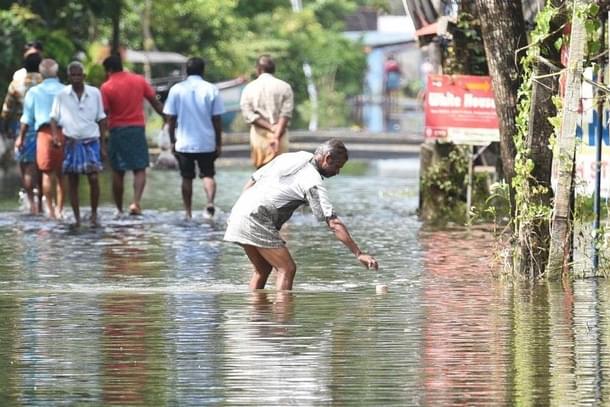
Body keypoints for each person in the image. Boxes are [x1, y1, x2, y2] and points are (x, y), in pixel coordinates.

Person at [224, 139, 378, 290]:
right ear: (327, 158)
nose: (337, 172)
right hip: (256, 217)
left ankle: (256, 315)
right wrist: (358, 253)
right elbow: (334, 224)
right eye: (337, 167)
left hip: (240, 210)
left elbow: (253, 179)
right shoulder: (313, 181)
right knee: (287, 269)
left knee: (263, 269)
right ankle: (282, 316)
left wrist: (239, 210)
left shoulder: (293, 157)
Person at [100, 55, 164, 216]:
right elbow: (155, 102)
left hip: (117, 131)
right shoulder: (139, 80)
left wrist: (101, 139)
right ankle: (136, 202)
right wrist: (167, 118)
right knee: (139, 167)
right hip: (137, 129)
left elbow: (103, 114)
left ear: (108, 70)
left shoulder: (107, 87)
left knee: (118, 170)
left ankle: (119, 208)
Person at [163, 57, 224, 220]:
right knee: (208, 175)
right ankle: (210, 202)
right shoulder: (211, 89)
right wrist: (219, 143)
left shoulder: (177, 89)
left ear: (186, 71)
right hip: (206, 141)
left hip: (184, 143)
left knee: (186, 177)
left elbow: (171, 118)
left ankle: (188, 212)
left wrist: (172, 141)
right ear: (203, 71)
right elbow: (217, 119)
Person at [50, 61, 107, 227]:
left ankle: (94, 215)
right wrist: (55, 136)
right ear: (68, 77)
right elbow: (53, 118)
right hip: (71, 142)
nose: (76, 78)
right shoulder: (62, 95)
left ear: (84, 76)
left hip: (91, 141)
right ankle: (76, 218)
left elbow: (102, 119)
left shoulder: (95, 93)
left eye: (78, 75)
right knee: (73, 180)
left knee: (94, 178)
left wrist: (103, 145)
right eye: (72, 75)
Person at [18, 58, 66, 219]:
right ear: (57, 72)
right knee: (61, 175)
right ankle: (60, 210)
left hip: (44, 134)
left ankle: (50, 212)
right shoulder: (65, 90)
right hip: (64, 133)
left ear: (41, 74)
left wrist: (20, 138)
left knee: (47, 173)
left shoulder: (34, 92)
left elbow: (26, 119)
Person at [2, 52, 43, 213]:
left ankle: (31, 205)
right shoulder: (46, 82)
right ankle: (41, 204)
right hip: (44, 128)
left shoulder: (16, 84)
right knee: (42, 167)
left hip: (22, 129)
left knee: (26, 167)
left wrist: (5, 128)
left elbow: (7, 109)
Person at [239, 54, 294, 169]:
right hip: (280, 136)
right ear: (274, 69)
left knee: (261, 175)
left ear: (258, 69)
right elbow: (286, 114)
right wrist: (276, 134)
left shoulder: (249, 88)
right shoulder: (285, 87)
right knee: (281, 175)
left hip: (259, 137)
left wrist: (269, 127)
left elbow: (248, 114)